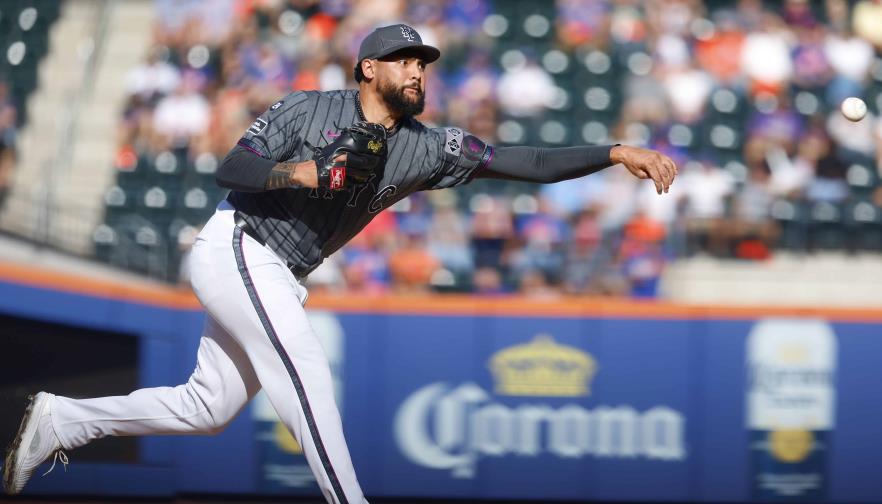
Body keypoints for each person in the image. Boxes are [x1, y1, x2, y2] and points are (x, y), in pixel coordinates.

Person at [3, 24, 676, 503]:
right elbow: (230, 167)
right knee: (307, 374)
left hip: (282, 273)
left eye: (423, 62)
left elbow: (522, 162)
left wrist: (614, 150)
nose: (417, 70)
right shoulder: (308, 109)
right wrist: (300, 170)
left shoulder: (430, 146)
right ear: (368, 69)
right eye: (403, 59)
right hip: (239, 244)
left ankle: (61, 421)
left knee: (205, 408)